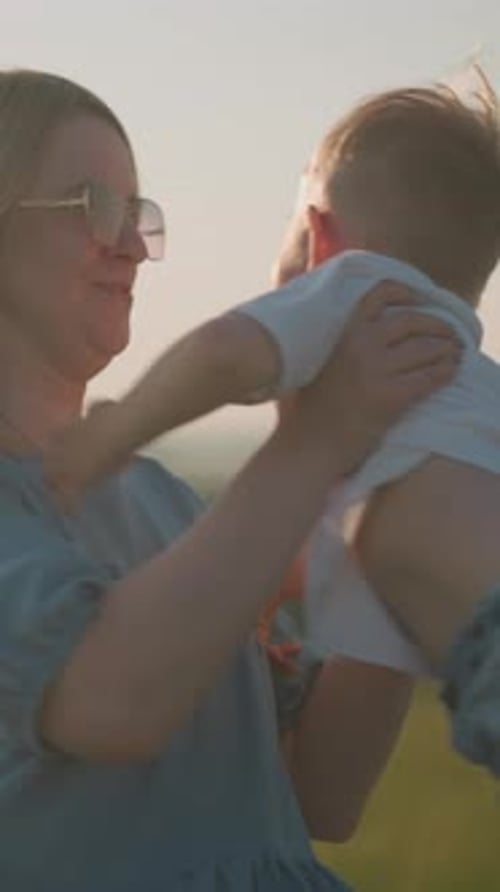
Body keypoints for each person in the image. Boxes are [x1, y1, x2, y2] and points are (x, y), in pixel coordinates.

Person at [0, 68, 460, 891]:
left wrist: (390, 466)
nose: (134, 246)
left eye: (139, 215)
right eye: (92, 207)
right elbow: (114, 705)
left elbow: (323, 791)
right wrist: (318, 439)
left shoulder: (168, 503)